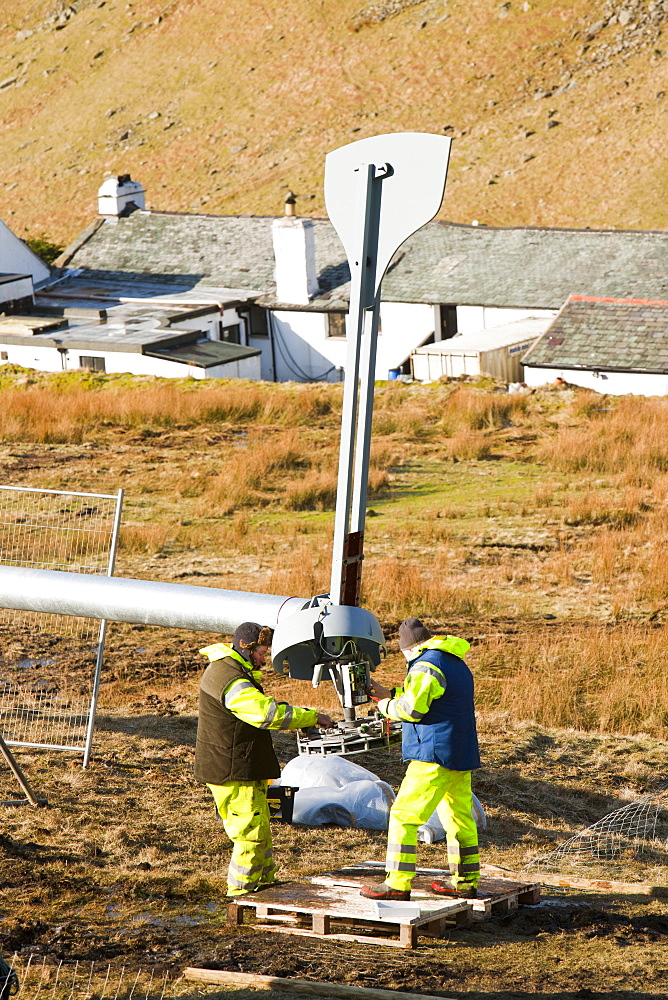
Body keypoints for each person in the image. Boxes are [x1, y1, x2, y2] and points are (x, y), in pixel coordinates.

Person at [194, 621, 333, 897]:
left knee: (261, 829)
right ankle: (241, 894)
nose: (264, 657)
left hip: (241, 766)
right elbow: (265, 714)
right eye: (261, 651)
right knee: (250, 835)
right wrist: (311, 716)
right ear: (246, 648)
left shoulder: (232, 669)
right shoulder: (229, 677)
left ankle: (264, 883)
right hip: (233, 770)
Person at [360, 617, 481, 901]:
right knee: (459, 818)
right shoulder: (452, 660)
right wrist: (390, 693)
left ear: (408, 649)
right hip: (460, 753)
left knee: (403, 815)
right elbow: (435, 698)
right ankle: (465, 882)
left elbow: (412, 710)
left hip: (433, 754)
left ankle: (397, 884)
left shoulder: (425, 665)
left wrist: (385, 705)